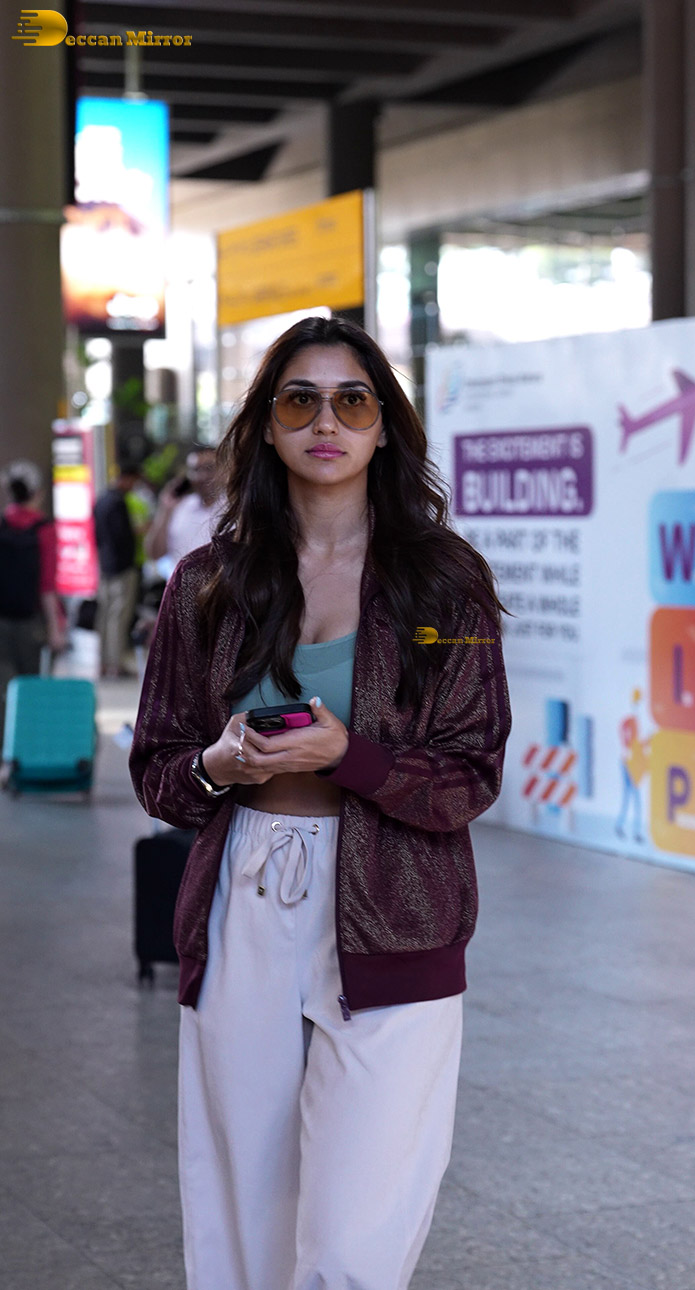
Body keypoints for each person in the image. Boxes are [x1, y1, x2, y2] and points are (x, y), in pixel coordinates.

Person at [129, 316, 511, 1290]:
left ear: (384, 425)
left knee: (355, 1240)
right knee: (244, 1220)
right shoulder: (206, 583)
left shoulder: (447, 585)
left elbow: (471, 771)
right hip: (247, 892)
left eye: (352, 401)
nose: (326, 422)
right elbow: (158, 769)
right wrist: (220, 764)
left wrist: (352, 757)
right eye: (300, 400)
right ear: (266, 423)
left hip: (400, 905)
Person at [0, 459, 64, 731]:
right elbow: (47, 584)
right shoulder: (44, 529)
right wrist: (55, 628)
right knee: (32, 686)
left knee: (4, 689)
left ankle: (4, 747)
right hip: (31, 622)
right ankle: (27, 743)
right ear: (37, 493)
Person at [93, 462, 140, 678]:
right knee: (118, 617)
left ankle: (104, 662)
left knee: (104, 615)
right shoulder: (118, 502)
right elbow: (123, 536)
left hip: (105, 565)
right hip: (122, 566)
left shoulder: (101, 500)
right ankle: (115, 663)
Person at [144, 444, 223, 575]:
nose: (203, 476)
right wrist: (164, 510)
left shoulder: (234, 509)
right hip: (179, 585)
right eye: (196, 470)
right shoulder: (178, 508)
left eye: (209, 468)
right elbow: (154, 554)